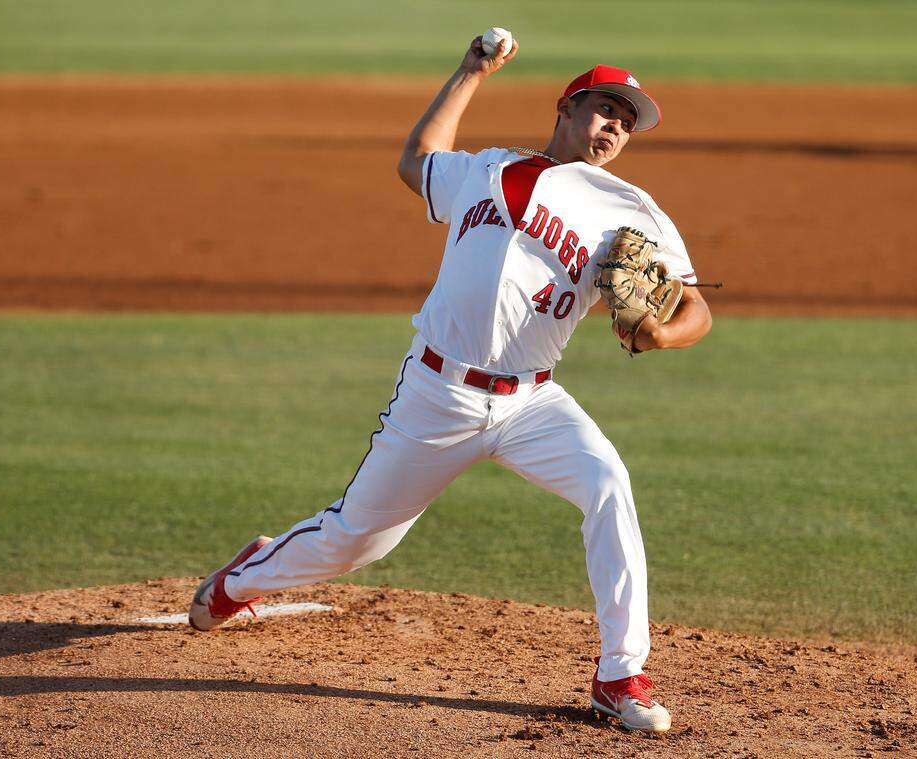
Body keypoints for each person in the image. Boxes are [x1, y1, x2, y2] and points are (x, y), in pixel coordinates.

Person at [188, 36, 712, 733]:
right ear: (566, 107)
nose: (615, 126)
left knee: (608, 483)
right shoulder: (487, 168)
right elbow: (416, 160)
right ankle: (239, 581)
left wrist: (661, 333)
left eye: (628, 120)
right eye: (605, 108)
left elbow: (697, 308)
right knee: (357, 541)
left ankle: (620, 675)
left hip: (532, 401)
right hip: (436, 394)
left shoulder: (632, 209)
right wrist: (471, 73)